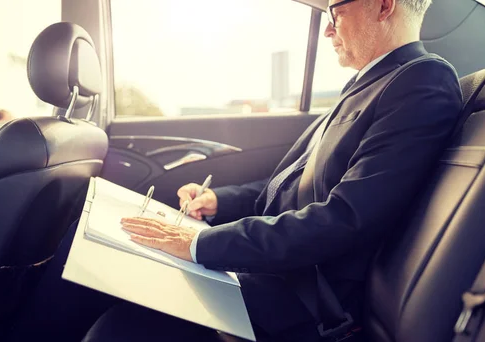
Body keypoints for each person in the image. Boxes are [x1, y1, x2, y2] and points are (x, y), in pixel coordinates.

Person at [85, 0, 463, 340]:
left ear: (383, 6)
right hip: (279, 272)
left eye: (336, 12)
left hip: (304, 297)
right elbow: (292, 186)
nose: (329, 28)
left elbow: (347, 217)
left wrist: (199, 244)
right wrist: (218, 202)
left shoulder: (420, 81)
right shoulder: (368, 83)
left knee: (120, 330)